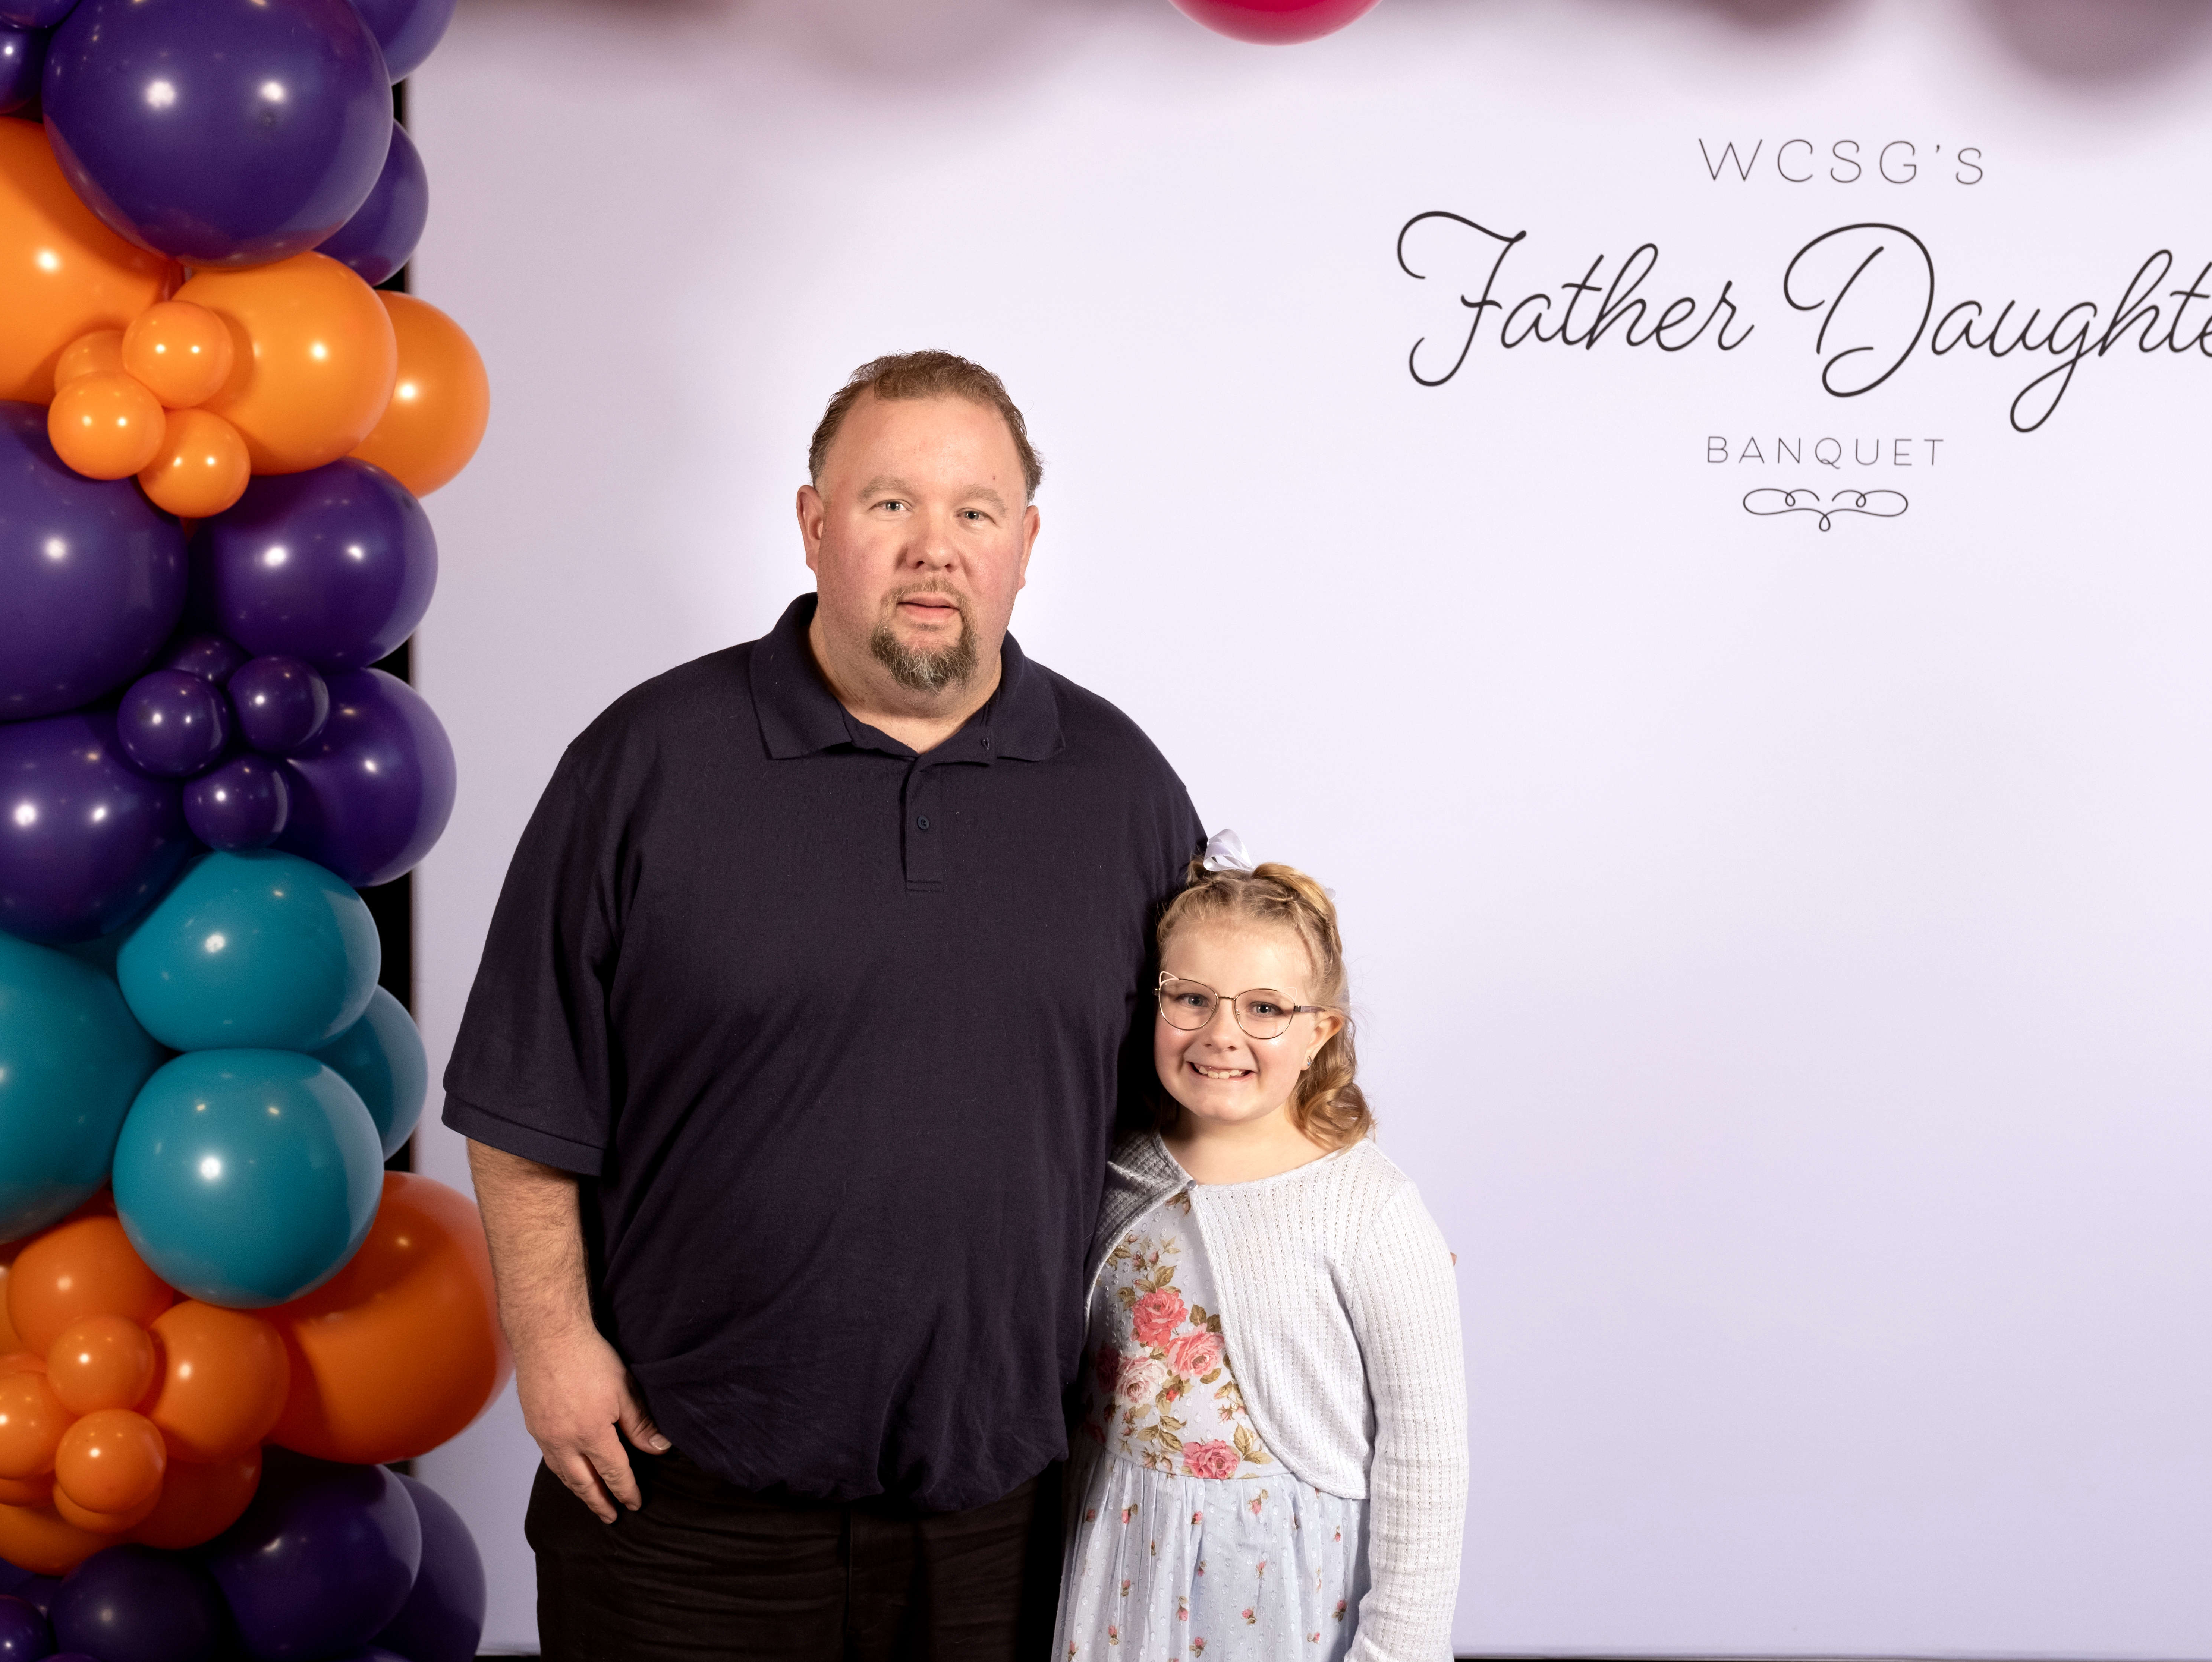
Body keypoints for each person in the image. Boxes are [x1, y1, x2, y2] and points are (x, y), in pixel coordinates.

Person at [440, 350, 1201, 1661]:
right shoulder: (645, 762)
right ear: (812, 524)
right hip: (678, 1501)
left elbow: (1193, 1111)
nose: (932, 548)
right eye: (887, 503)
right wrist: (553, 1345)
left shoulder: (1123, 789)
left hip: (1002, 1516)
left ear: (1025, 546)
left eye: (973, 512)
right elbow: (524, 1090)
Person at [1059, 841, 1468, 1662]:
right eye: (1192, 998)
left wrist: (1399, 1651)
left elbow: (1426, 1455)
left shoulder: (1368, 1208)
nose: (1222, 1035)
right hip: (1119, 1562)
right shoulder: (1117, 1170)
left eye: (1265, 1009)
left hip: (1279, 1585)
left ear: (1321, 1031)